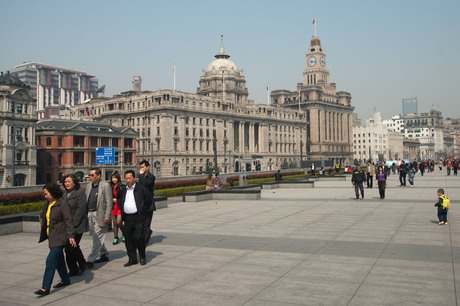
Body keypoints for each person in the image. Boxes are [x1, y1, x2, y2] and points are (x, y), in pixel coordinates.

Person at [35, 183, 76, 296]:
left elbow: (69, 220)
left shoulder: (63, 203)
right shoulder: (48, 203)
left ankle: (45, 287)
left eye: (46, 194)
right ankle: (65, 279)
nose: (45, 196)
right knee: (59, 259)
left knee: (50, 260)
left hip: (60, 236)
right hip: (51, 236)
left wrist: (71, 236)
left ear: (53, 192)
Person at [117, 170, 153, 266]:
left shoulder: (141, 188)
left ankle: (142, 256)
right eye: (126, 178)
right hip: (127, 218)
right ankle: (132, 259)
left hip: (138, 217)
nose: (128, 180)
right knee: (128, 239)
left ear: (134, 178)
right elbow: (120, 200)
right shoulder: (123, 189)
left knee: (138, 238)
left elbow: (149, 200)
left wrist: (143, 213)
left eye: (129, 178)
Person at [85, 167, 112, 269]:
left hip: (100, 214)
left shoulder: (105, 186)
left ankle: (90, 260)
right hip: (90, 214)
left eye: (92, 175)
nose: (90, 177)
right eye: (89, 175)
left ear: (98, 176)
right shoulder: (89, 186)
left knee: (97, 236)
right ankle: (104, 253)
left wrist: (107, 215)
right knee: (96, 235)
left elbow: (109, 202)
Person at [62, 174, 87, 277]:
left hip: (77, 225)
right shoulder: (64, 195)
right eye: (65, 182)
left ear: (74, 182)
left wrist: (73, 224)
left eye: (69, 181)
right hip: (67, 226)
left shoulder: (80, 193)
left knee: (72, 246)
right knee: (68, 248)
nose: (67, 184)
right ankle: (73, 269)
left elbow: (81, 210)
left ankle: (82, 264)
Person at [138, 160, 156, 246]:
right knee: (141, 223)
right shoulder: (141, 177)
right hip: (141, 203)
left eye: (143, 167)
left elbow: (145, 184)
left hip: (148, 204)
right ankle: (147, 233)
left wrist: (141, 175)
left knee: (147, 223)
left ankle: (145, 241)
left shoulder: (151, 177)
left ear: (147, 167)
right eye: (140, 167)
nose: (141, 169)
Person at [110, 172, 125, 245]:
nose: (114, 179)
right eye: (112, 178)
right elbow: (108, 196)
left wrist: (117, 200)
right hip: (113, 206)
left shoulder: (122, 186)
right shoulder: (110, 186)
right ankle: (116, 237)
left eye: (115, 178)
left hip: (119, 206)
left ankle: (124, 233)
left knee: (119, 222)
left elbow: (123, 197)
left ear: (118, 178)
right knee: (114, 223)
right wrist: (112, 199)